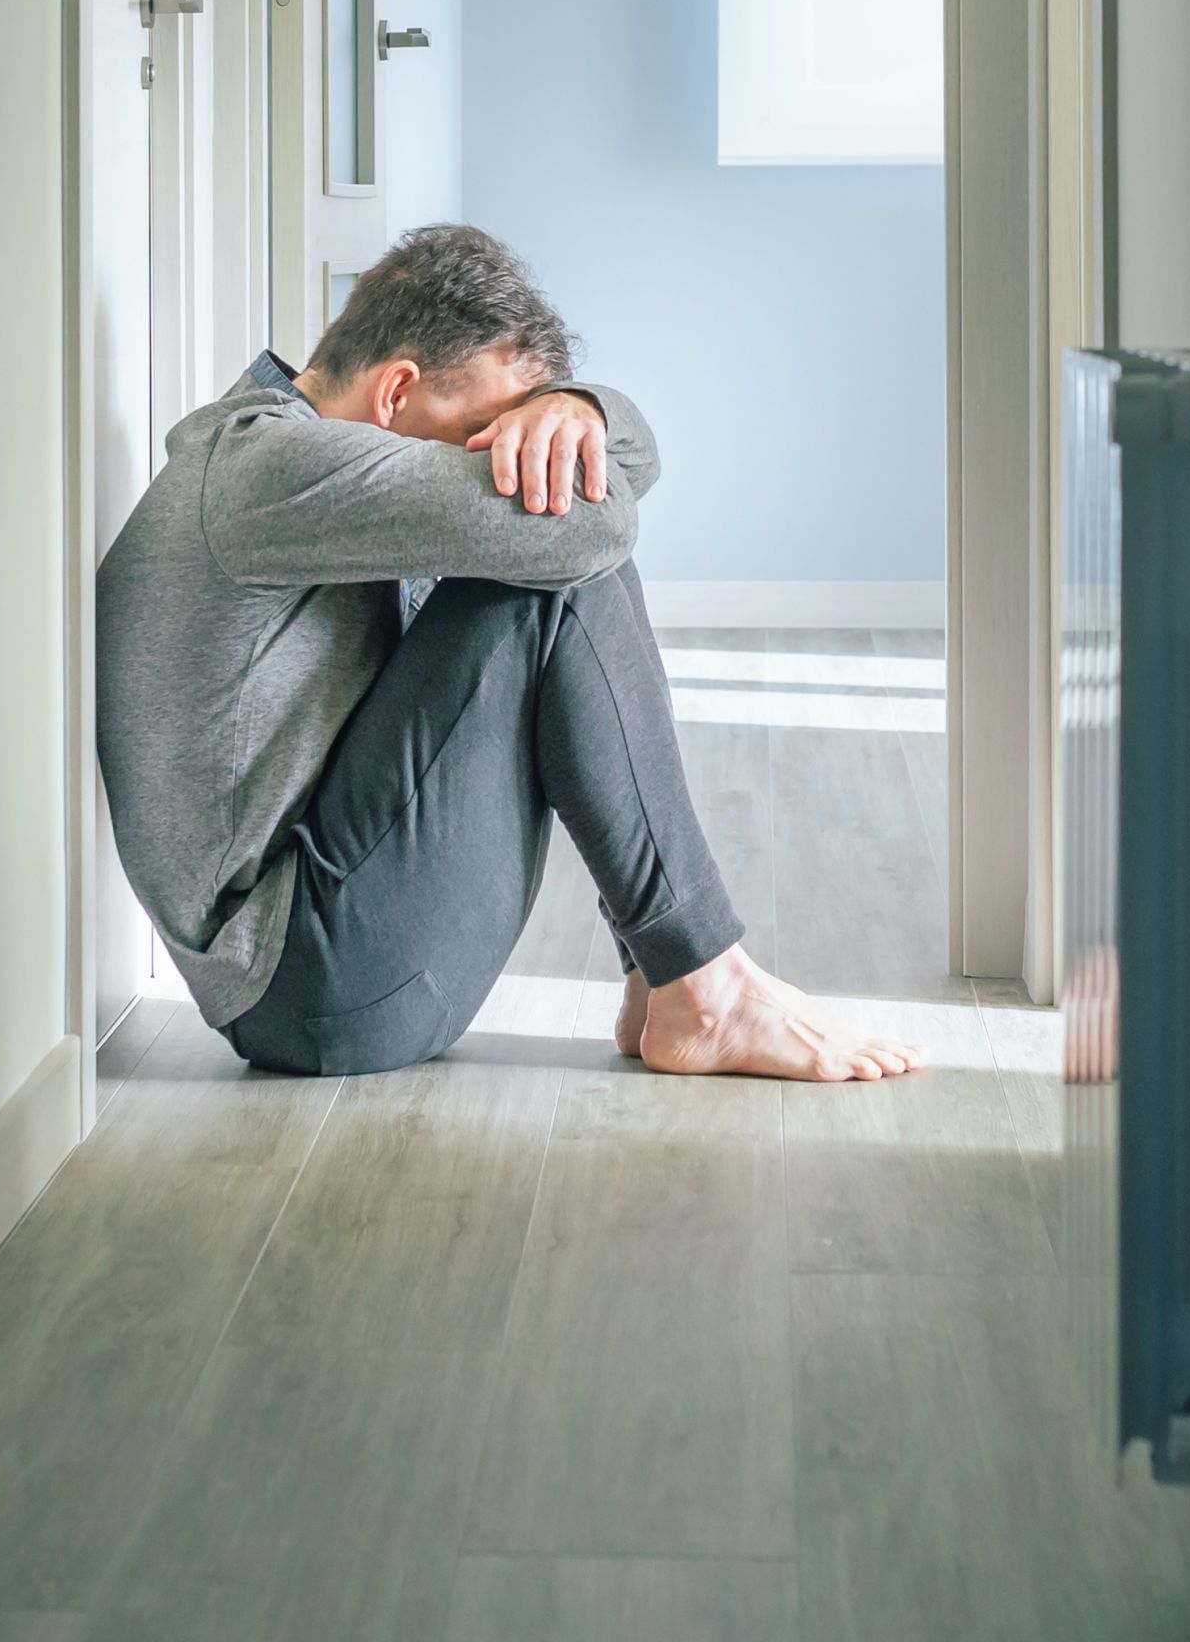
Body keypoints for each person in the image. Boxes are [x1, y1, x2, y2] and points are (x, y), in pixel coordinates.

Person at [96, 222, 923, 1081]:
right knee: (553, 562)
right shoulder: (271, 470)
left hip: (334, 954)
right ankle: (702, 983)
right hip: (310, 990)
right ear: (396, 393)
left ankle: (668, 973)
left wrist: (579, 411)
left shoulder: (275, 451)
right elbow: (593, 522)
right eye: (490, 432)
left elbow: (627, 464)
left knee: (552, 542)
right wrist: (571, 441)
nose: (503, 456)